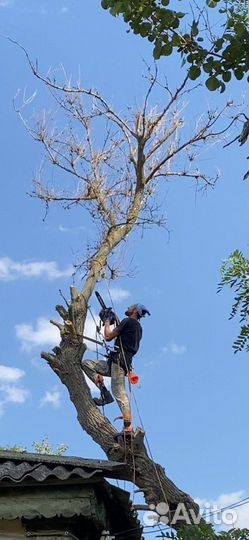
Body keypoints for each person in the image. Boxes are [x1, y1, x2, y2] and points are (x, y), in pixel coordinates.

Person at [82, 303, 150, 436]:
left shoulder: (129, 321)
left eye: (130, 307)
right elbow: (122, 334)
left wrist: (107, 322)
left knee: (119, 392)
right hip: (114, 362)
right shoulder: (136, 327)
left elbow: (108, 337)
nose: (128, 308)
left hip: (119, 362)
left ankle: (128, 426)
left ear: (135, 311)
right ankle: (104, 393)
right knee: (87, 364)